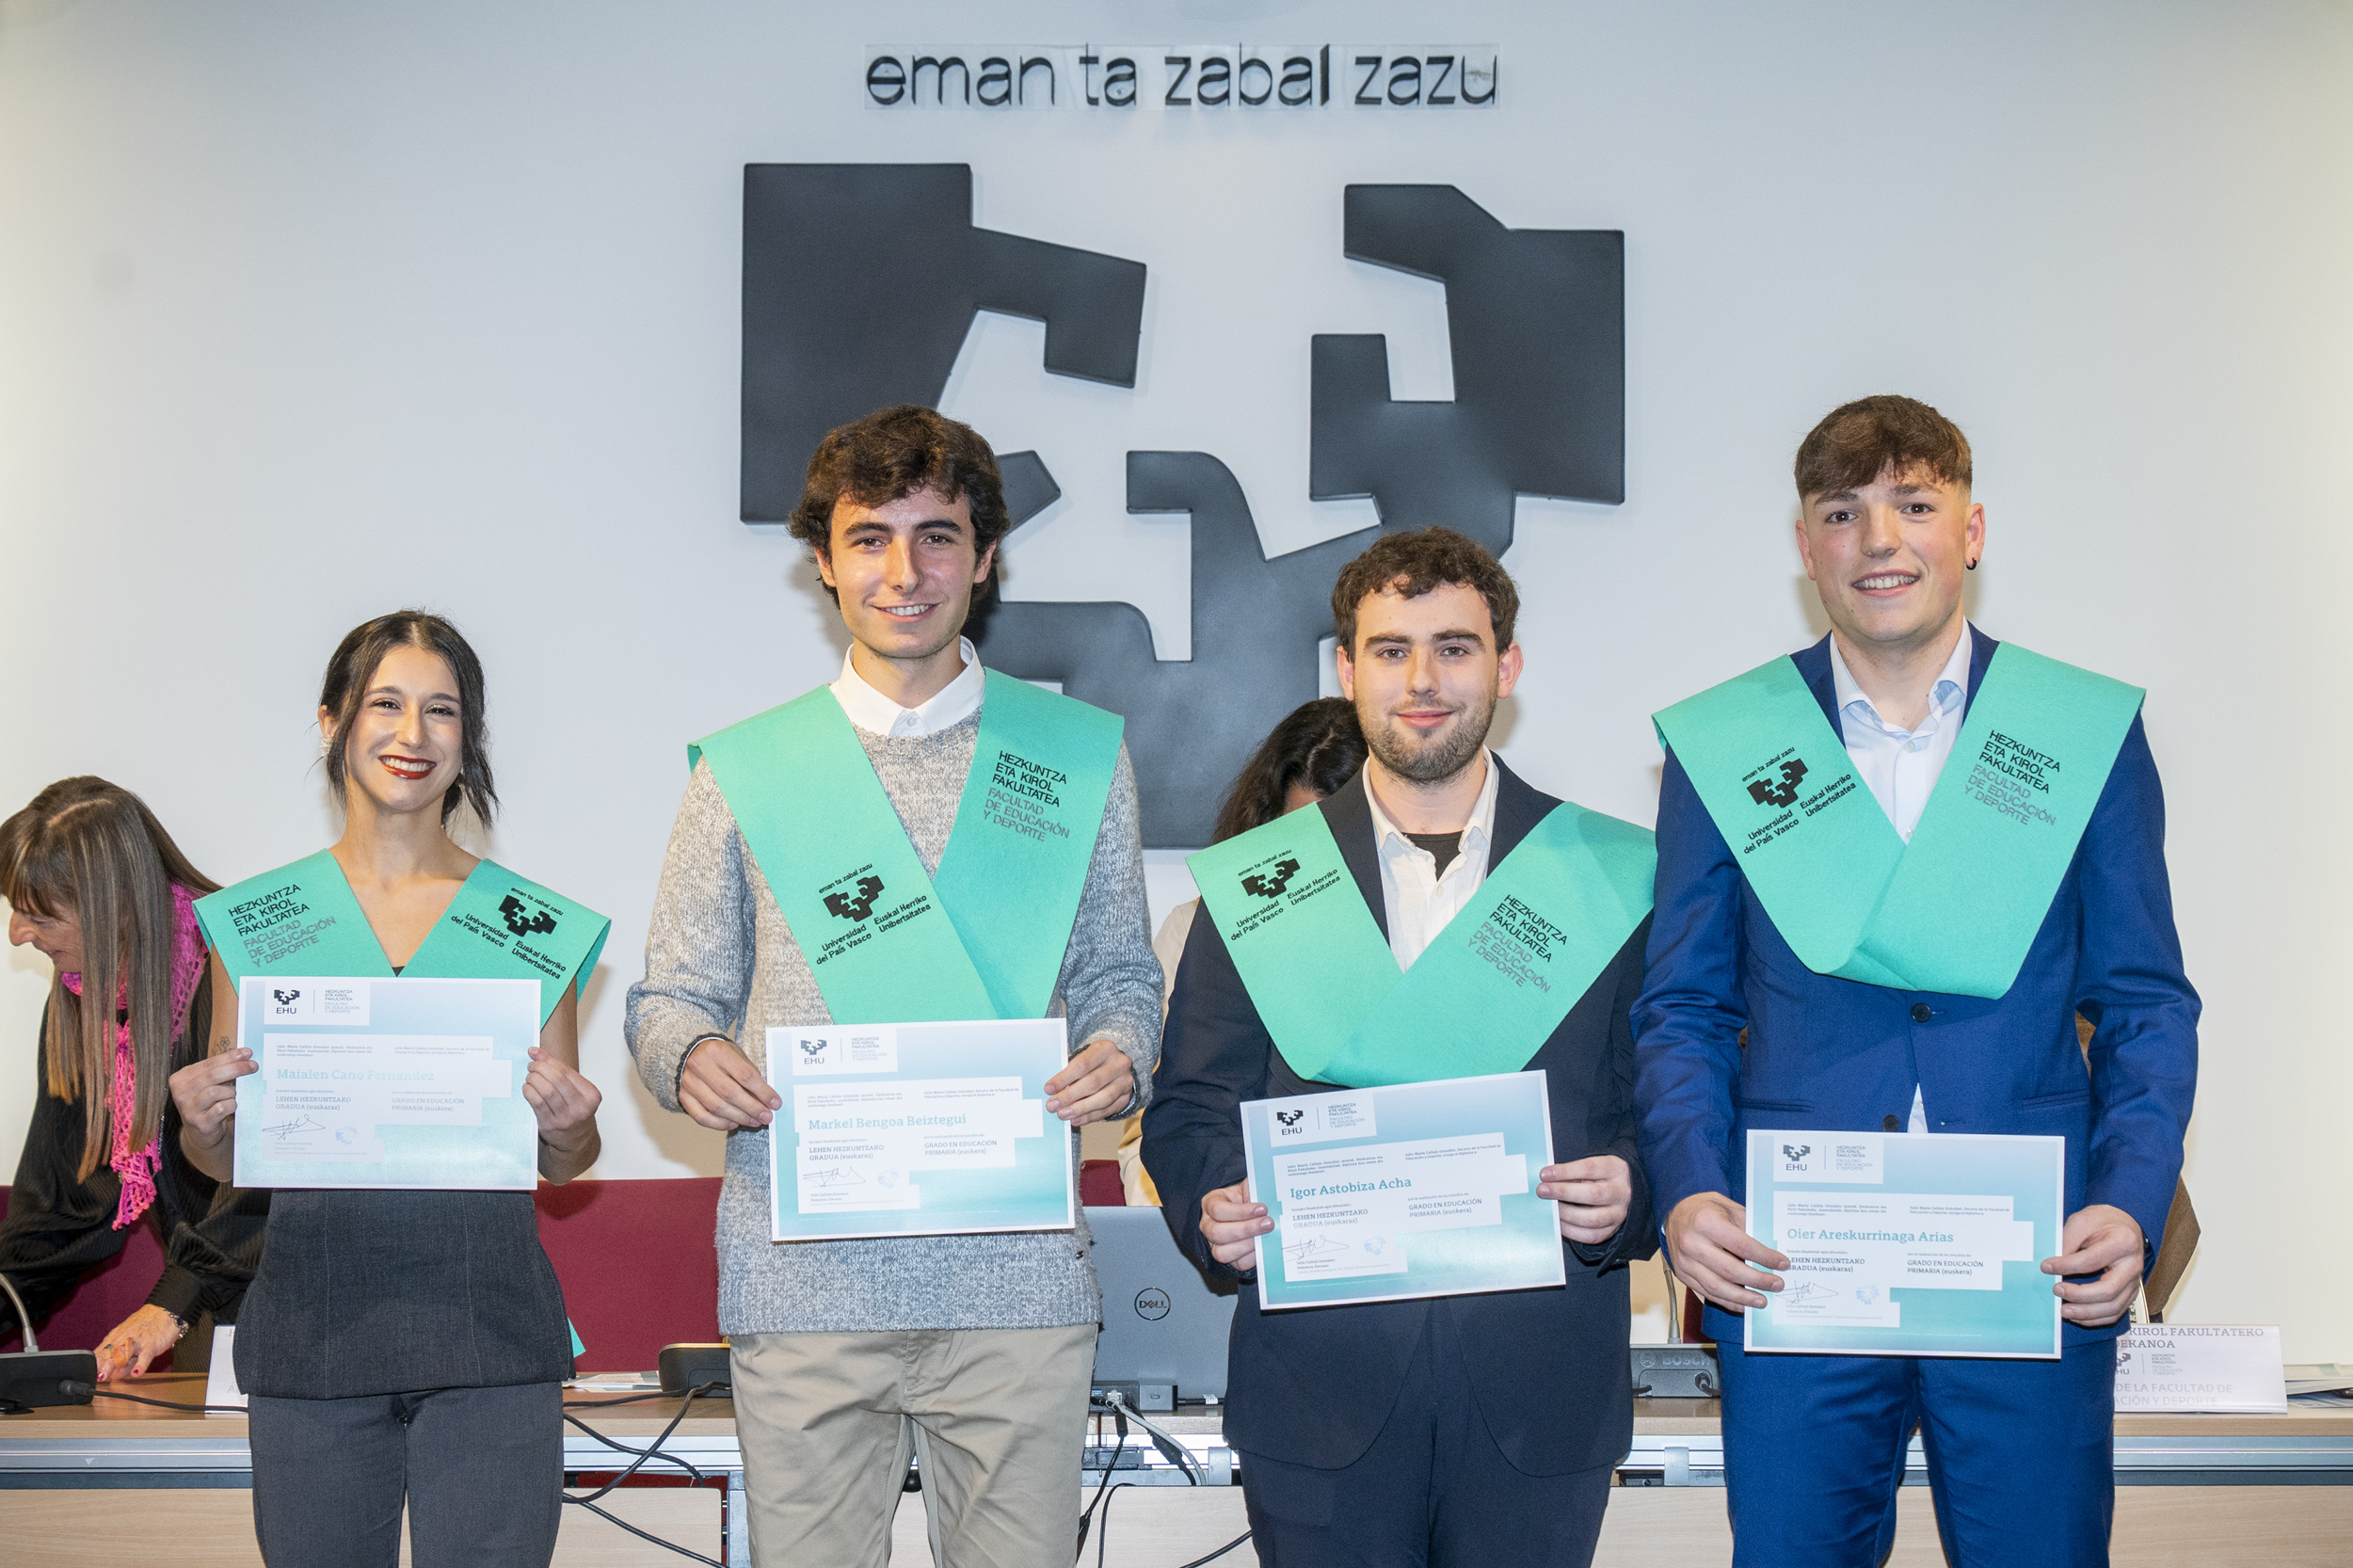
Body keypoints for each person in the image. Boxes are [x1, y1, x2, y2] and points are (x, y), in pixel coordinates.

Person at [1634, 396, 2199, 1566]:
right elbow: (1683, 1006)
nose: (1879, 540)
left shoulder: (2077, 731)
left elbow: (2145, 1001)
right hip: (1794, 1269)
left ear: (1970, 530)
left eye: (1914, 504)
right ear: (1807, 547)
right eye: (1843, 512)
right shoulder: (1731, 744)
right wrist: (1687, 1190)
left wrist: (2131, 1201)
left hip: (2033, 1265)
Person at [625, 404, 1162, 1567]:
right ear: (824, 563)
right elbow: (668, 998)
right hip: (803, 1286)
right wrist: (688, 1055)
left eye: (936, 537)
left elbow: (1121, 976)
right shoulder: (748, 771)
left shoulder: (1074, 757)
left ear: (984, 557)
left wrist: (1123, 1047)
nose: (903, 573)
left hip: (1017, 1286)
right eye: (868, 538)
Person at [1144, 527, 1659, 1568]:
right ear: (1348, 670)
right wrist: (1214, 1205)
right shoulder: (1263, 882)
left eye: (1454, 647)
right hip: (1318, 1397)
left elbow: (1672, 1096)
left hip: (1539, 1396)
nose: (1421, 680)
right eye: (1390, 650)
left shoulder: (1610, 874)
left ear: (1507, 666)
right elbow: (1189, 1110)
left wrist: (1634, 1190)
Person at [169, 611, 610, 1568]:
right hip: (311, 1330)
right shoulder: (260, 920)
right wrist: (198, 1123)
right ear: (332, 721)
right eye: (386, 704)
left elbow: (564, 1160)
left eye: (442, 710)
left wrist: (572, 1125)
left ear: (468, 736)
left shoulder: (528, 923)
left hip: (490, 1330)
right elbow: (227, 1158)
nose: (414, 734)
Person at [0, 777, 266, 1378]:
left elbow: (275, 1185)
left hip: (299, 1308)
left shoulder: (241, 967)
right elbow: (64, 1208)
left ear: (115, 905)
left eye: (39, 915)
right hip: (203, 1309)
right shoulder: (82, 1002)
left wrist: (172, 1302)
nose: (16, 933)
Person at [1115, 697, 1366, 1205]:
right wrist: (1215, 1210)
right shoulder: (1195, 930)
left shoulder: (1423, 933)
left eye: (1343, 839)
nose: (1322, 861)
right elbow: (1155, 1132)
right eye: (1301, 836)